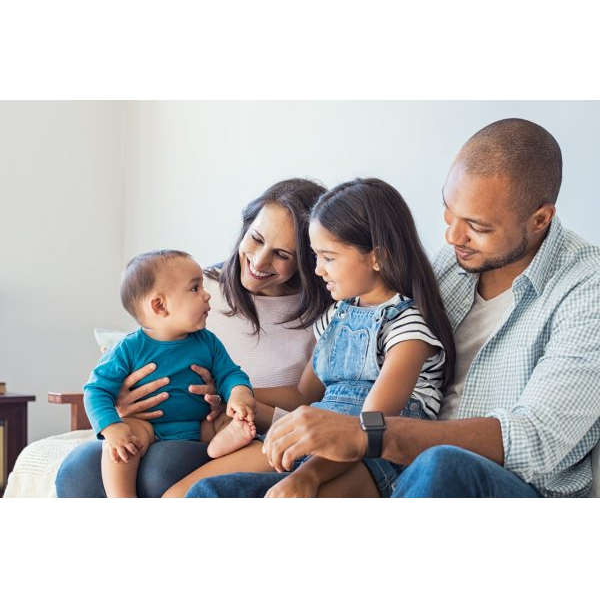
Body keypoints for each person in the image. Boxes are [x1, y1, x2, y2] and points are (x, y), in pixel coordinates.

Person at [186, 118, 600, 499]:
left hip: (501, 485)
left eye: (478, 226)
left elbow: (537, 439)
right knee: (212, 496)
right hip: (394, 464)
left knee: (441, 465)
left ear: (540, 219)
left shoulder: (586, 288)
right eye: (448, 211)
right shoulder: (450, 267)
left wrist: (368, 435)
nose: (452, 236)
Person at [163, 177, 456, 498]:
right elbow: (303, 393)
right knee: (183, 496)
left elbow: (371, 429)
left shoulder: (407, 330)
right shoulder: (336, 317)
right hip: (313, 438)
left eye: (328, 258)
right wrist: (232, 390)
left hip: (369, 458)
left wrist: (307, 477)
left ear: (377, 257)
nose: (317, 271)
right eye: (316, 257)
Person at [51, 178, 331, 498]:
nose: (260, 261)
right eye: (256, 238)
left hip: (229, 429)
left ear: (310, 260)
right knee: (79, 468)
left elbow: (306, 399)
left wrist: (232, 395)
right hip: (152, 423)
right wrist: (120, 405)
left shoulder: (323, 315)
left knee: (161, 468)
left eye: (282, 254)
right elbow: (121, 369)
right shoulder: (194, 287)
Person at [85, 250, 260, 498]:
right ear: (160, 305)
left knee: (233, 422)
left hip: (201, 426)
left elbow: (230, 373)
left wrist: (239, 394)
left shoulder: (207, 342)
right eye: (195, 288)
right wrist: (112, 428)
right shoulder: (129, 348)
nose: (207, 294)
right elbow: (96, 390)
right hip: (150, 427)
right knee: (124, 443)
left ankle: (222, 444)